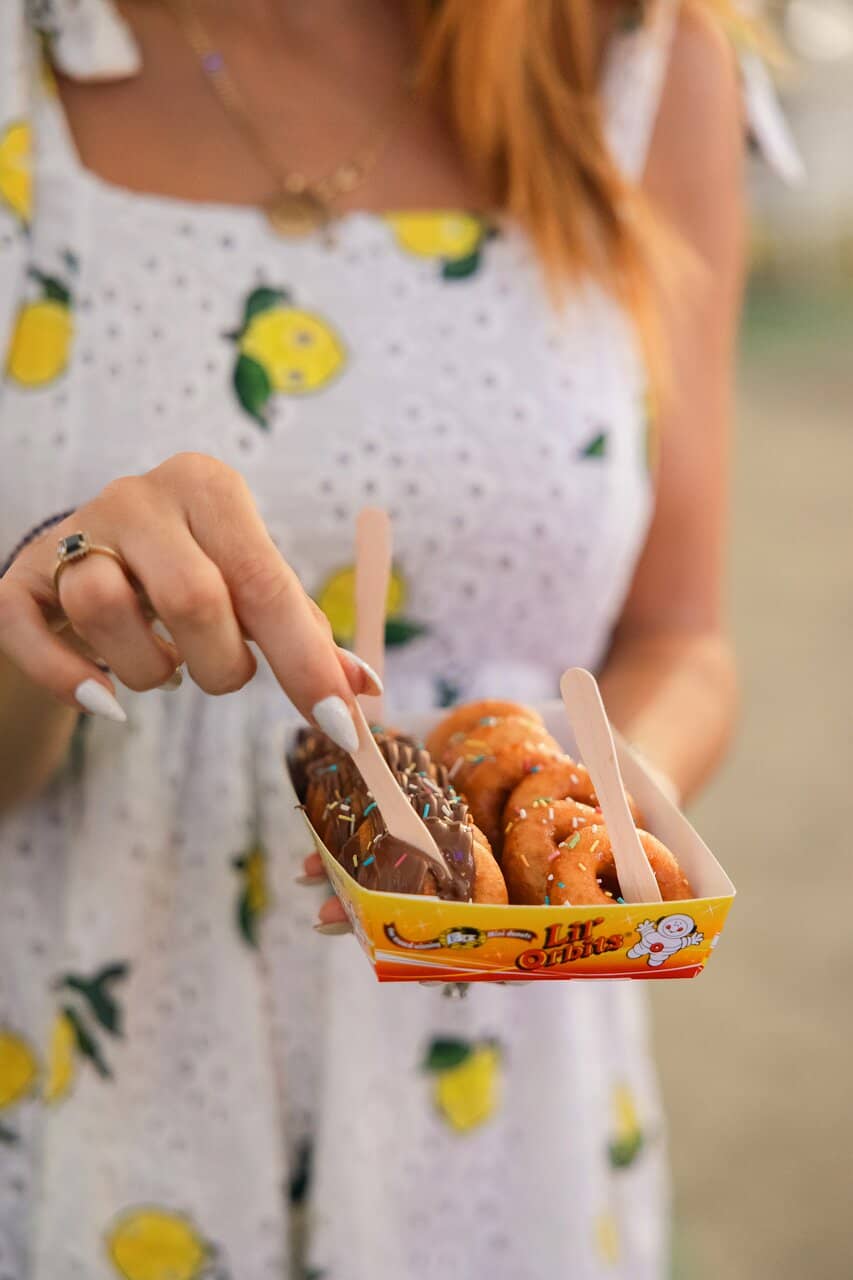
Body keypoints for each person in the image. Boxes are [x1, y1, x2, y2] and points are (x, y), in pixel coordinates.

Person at [0, 1, 785, 1276]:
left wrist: (597, 799)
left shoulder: (638, 55)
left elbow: (682, 634)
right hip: (84, 1057)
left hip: (495, 1108)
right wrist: (40, 636)